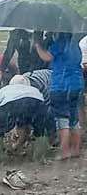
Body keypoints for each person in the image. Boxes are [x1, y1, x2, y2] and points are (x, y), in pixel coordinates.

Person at [35, 32, 83, 160]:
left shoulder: (59, 44)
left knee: (62, 119)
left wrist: (38, 45)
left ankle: (64, 151)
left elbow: (46, 57)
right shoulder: (75, 46)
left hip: (61, 85)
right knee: (74, 119)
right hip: (76, 84)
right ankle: (76, 149)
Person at [0, 75, 53, 167]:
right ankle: (39, 159)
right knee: (41, 131)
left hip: (9, 104)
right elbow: (32, 113)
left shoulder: (3, 91)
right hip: (36, 103)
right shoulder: (34, 90)